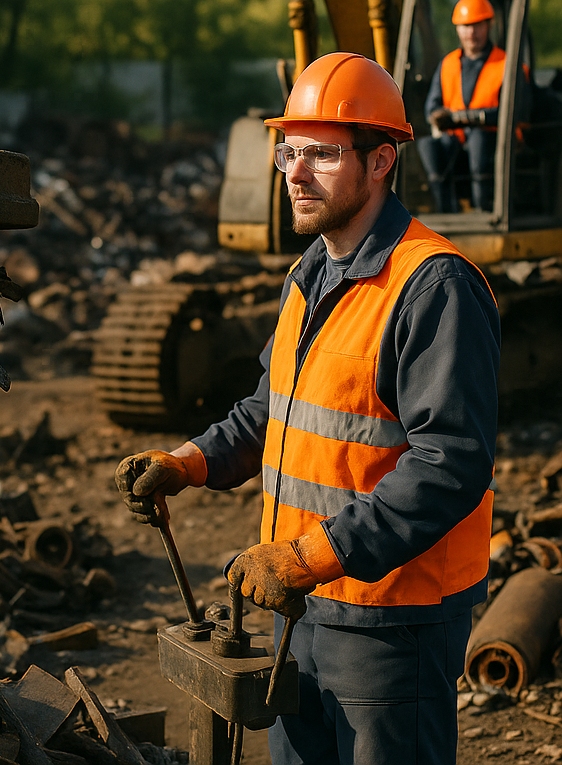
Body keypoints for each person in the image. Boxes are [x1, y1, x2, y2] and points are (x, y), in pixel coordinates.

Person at [116, 52, 499, 765]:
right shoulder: (310, 273)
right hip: (299, 609)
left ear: (381, 161)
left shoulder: (431, 286)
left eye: (321, 154)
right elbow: (273, 409)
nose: (293, 173)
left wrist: (312, 554)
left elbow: (450, 465)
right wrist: (187, 463)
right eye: (287, 151)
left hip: (389, 624)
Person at [417, 0, 504, 212]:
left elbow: (516, 112)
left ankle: (486, 209)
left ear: (489, 25)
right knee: (428, 146)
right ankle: (445, 211)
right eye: (465, 26)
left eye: (477, 25)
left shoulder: (506, 64)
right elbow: (432, 107)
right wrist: (439, 117)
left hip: (496, 145)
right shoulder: (448, 64)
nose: (471, 32)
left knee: (479, 140)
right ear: (457, 29)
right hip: (456, 145)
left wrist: (473, 118)